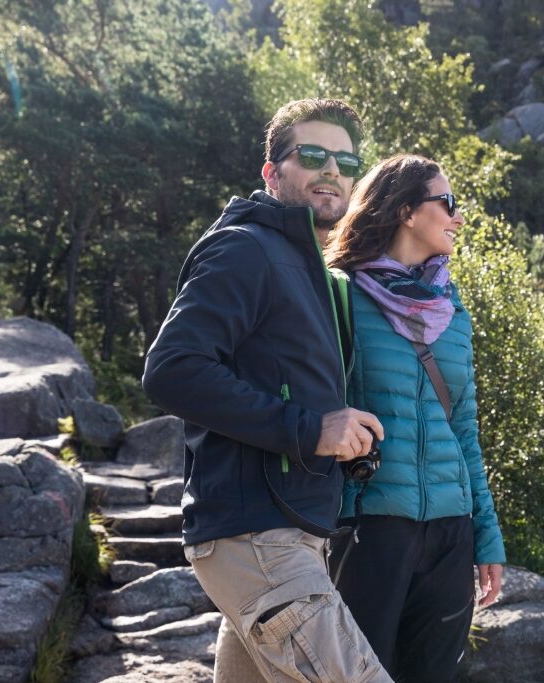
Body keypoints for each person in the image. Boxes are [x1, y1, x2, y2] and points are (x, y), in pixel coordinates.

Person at [142, 98, 392, 683]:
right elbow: (171, 368)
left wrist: (338, 428)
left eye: (345, 160)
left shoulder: (305, 264)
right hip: (258, 538)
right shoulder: (246, 248)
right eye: (312, 155)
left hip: (290, 532)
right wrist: (311, 429)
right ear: (272, 171)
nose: (332, 170)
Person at [325, 154, 506, 683]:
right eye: (446, 203)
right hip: (370, 529)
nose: (458, 217)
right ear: (406, 211)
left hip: (451, 532)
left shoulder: (451, 311)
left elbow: (465, 432)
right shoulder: (342, 296)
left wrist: (486, 536)